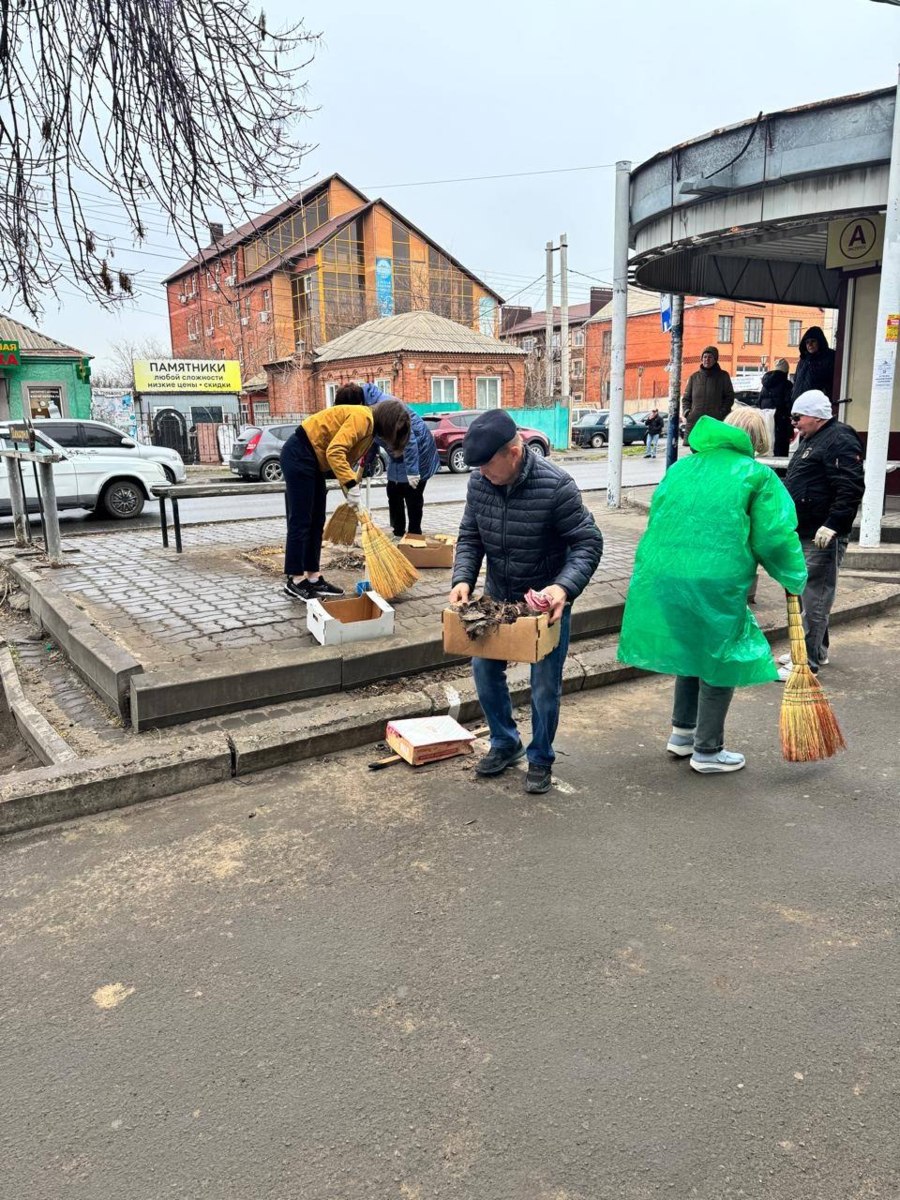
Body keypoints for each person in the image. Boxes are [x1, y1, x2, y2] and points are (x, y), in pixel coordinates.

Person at [616, 409, 807, 774]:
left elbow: (660, 517)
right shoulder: (755, 475)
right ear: (758, 439)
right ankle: (708, 750)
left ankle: (682, 734)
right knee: (721, 657)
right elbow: (775, 535)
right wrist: (794, 576)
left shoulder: (683, 468)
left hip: (665, 574)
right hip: (716, 581)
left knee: (690, 651)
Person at [448, 410, 603, 795]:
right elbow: (470, 536)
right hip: (498, 596)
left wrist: (563, 589)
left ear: (514, 453)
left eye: (487, 464)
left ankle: (541, 757)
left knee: (544, 685)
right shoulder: (479, 484)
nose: (481, 472)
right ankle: (505, 742)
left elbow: (587, 542)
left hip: (545, 603)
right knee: (484, 670)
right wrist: (463, 578)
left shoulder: (556, 487)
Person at [280, 400, 410, 603]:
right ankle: (295, 580)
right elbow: (335, 452)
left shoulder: (369, 429)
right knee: (301, 521)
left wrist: (351, 493)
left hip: (312, 461)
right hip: (299, 454)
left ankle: (313, 577)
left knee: (316, 522)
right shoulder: (363, 418)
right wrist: (351, 486)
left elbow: (342, 462)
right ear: (388, 422)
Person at [778, 389, 865, 679]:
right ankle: (816, 650)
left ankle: (806, 662)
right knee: (810, 593)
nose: (795, 423)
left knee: (816, 596)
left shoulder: (838, 438)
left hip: (822, 533)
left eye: (798, 417)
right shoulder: (813, 438)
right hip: (807, 529)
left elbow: (850, 487)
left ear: (815, 415)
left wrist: (834, 524)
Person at [681, 346, 735, 441]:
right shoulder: (694, 377)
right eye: (705, 357)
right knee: (695, 449)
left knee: (713, 449)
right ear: (701, 359)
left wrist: (722, 413)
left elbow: (729, 397)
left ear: (715, 359)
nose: (707, 359)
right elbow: (686, 398)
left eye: (710, 357)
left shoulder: (723, 376)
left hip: (715, 421)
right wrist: (687, 413)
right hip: (696, 422)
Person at [791, 326, 836, 403]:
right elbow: (796, 380)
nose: (810, 345)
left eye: (813, 341)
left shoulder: (829, 357)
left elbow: (832, 382)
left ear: (820, 342)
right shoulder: (804, 360)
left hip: (816, 405)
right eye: (807, 342)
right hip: (799, 404)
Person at [759, 358, 794, 456]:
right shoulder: (787, 385)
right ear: (786, 371)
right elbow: (789, 404)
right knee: (780, 450)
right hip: (781, 422)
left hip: (766, 420)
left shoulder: (765, 385)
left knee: (767, 447)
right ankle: (779, 471)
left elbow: (759, 402)